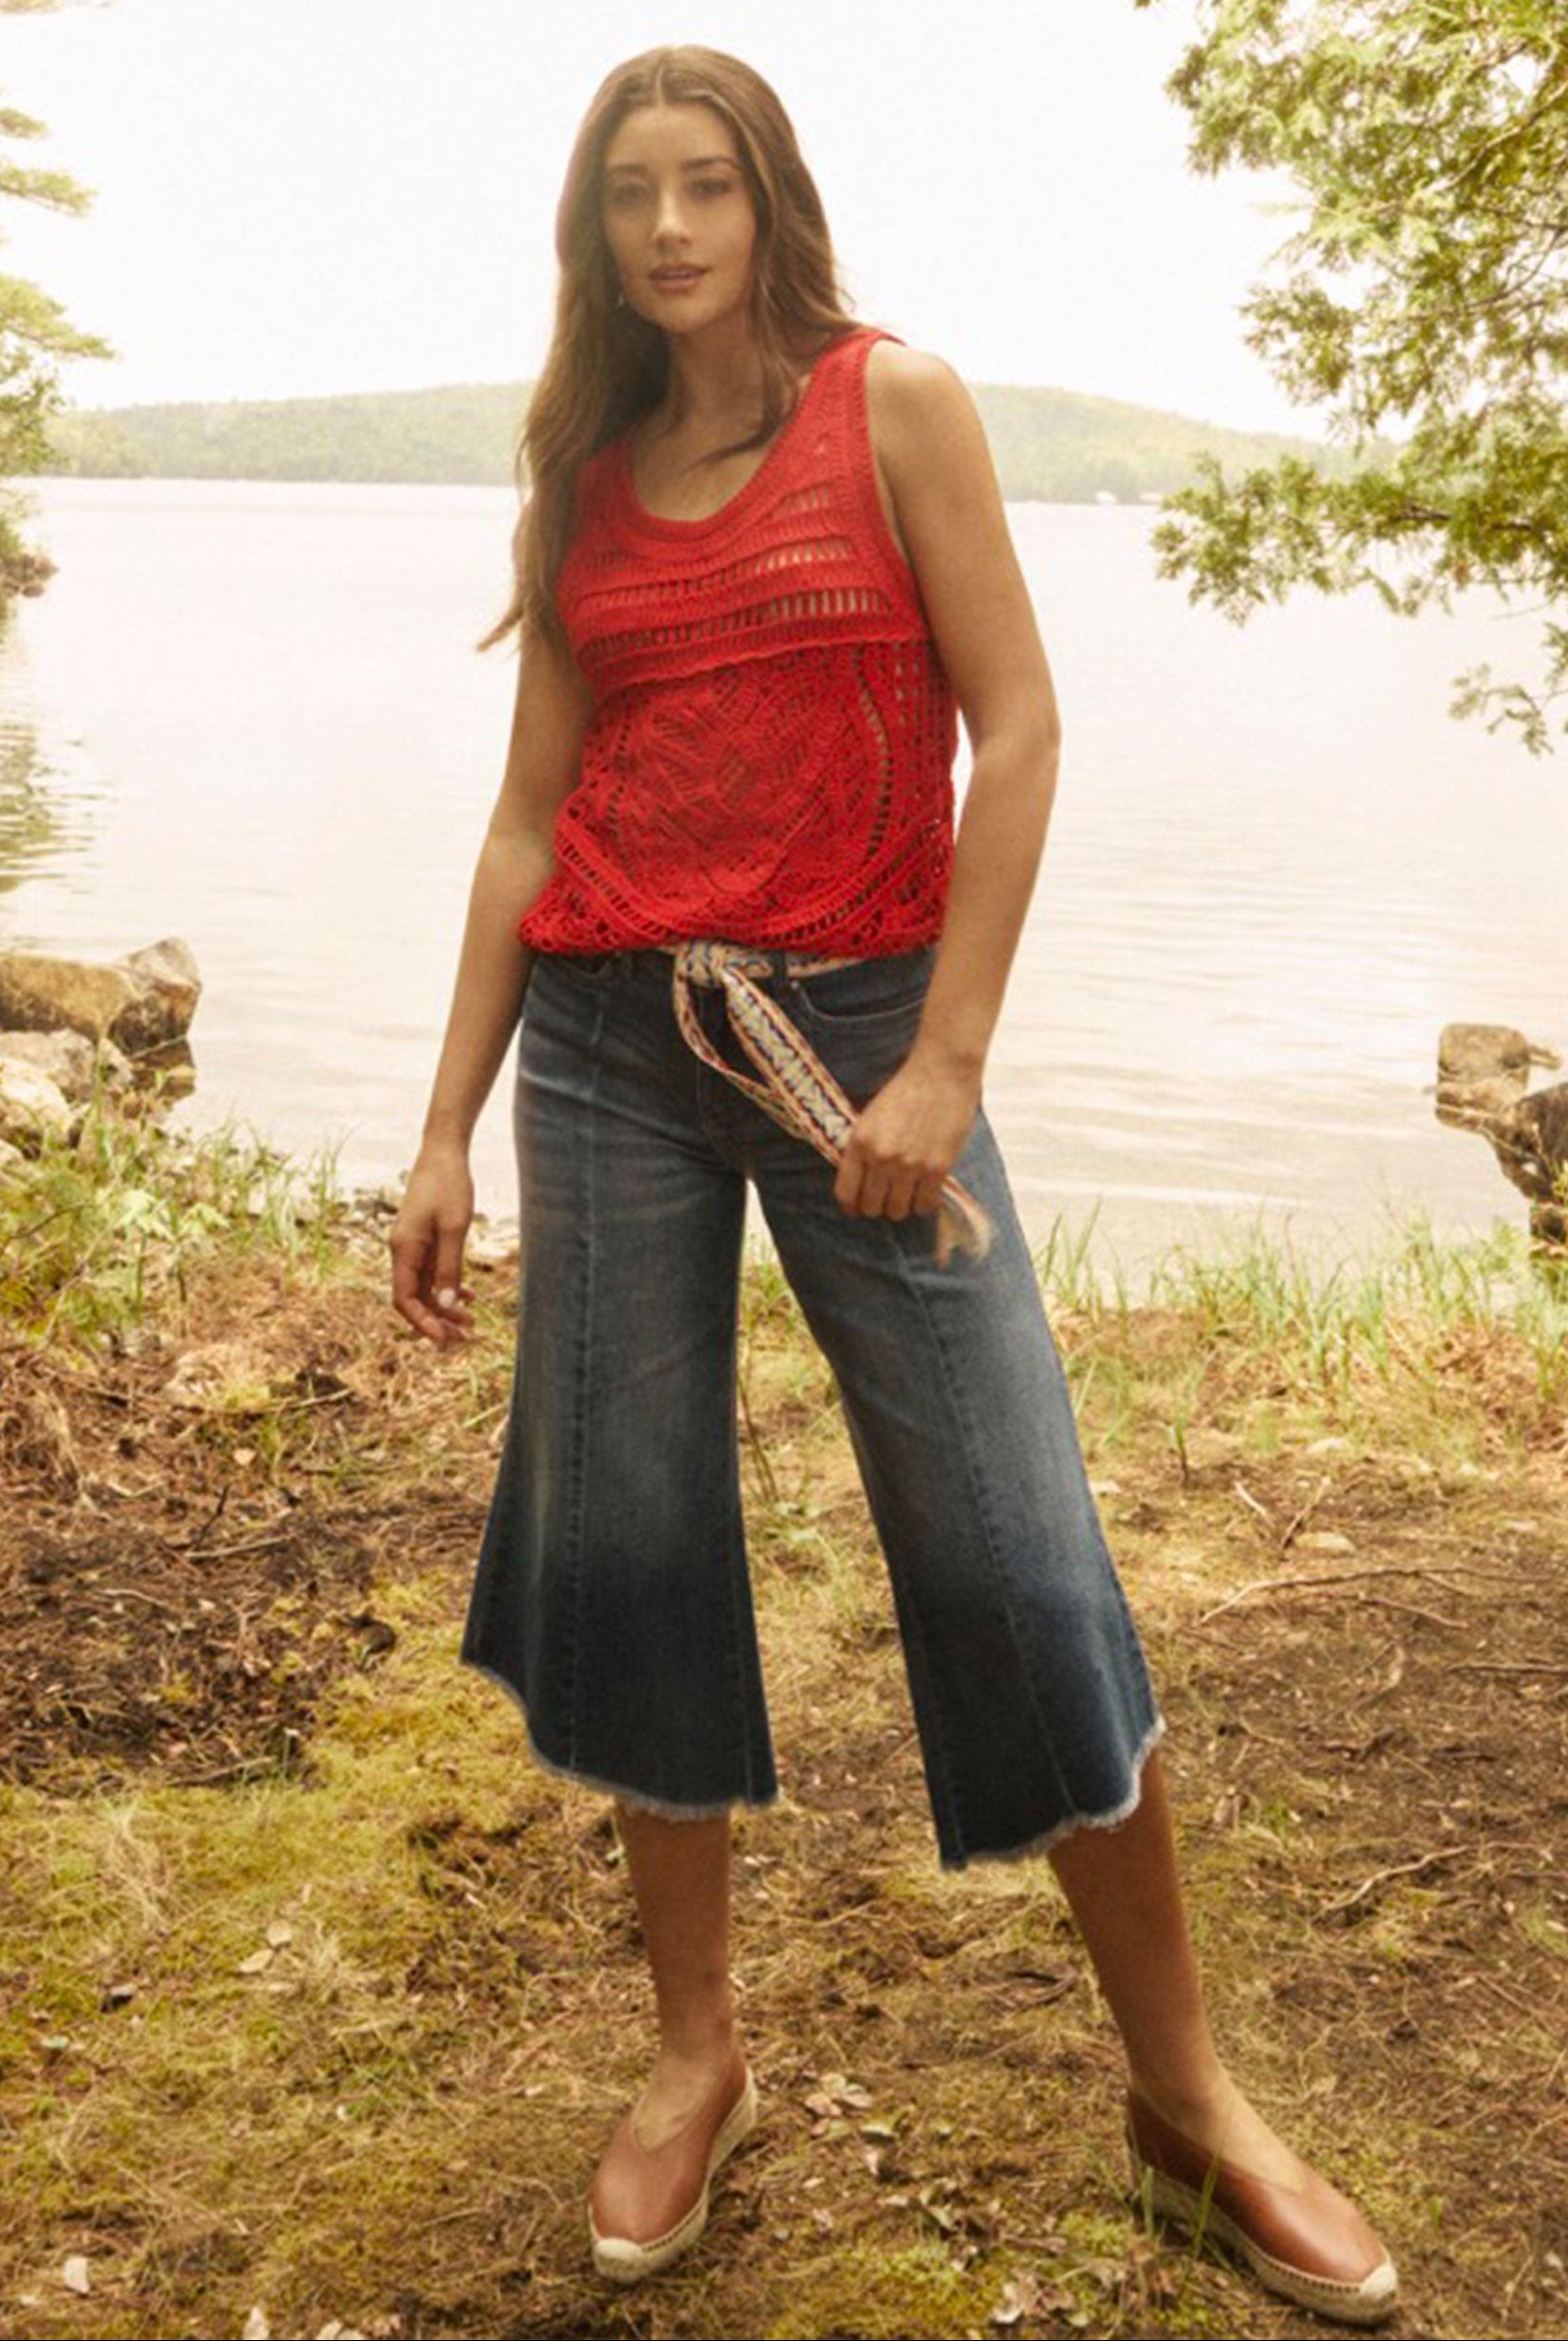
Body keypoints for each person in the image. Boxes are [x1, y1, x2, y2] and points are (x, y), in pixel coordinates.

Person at [390, 45, 1399, 2327]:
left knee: (1015, 1544)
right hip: (611, 1049)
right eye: (629, 193)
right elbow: (528, 817)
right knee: (637, 1543)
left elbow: (1018, 724)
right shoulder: (583, 482)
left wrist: (947, 1056)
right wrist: (445, 1125)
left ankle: (1189, 2095)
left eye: (705, 186)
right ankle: (693, 2056)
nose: (667, 229)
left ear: (769, 204)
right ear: (594, 230)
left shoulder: (896, 404)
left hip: (864, 1041)